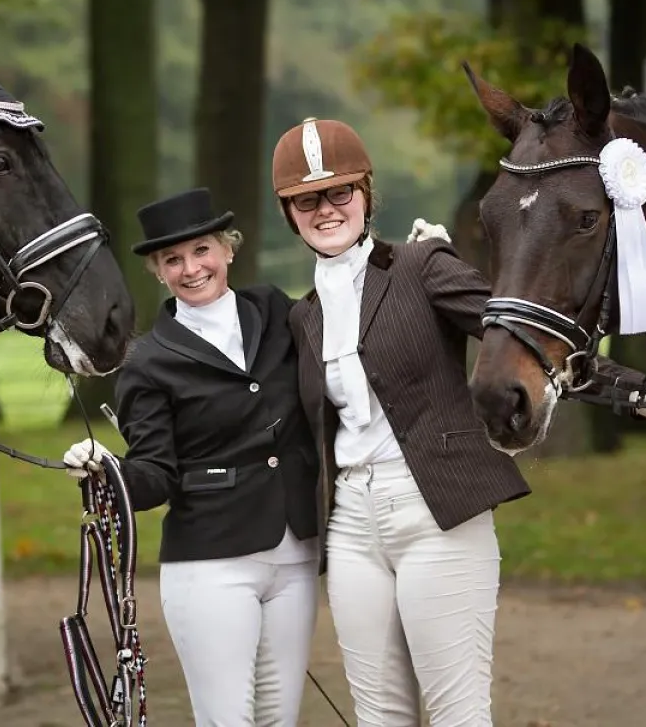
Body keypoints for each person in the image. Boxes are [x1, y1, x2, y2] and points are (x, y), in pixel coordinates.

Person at [270, 116, 646, 726]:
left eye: (340, 192)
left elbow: (524, 333)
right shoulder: (301, 317)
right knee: (377, 715)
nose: (326, 210)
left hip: (435, 514)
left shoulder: (421, 266)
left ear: (367, 193)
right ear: (289, 213)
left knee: (457, 712)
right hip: (351, 527)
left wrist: (635, 394)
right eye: (306, 200)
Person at [60, 186, 449, 726]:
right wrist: (110, 470)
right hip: (211, 562)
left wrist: (411, 268)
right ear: (157, 271)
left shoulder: (275, 310)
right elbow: (155, 476)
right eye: (173, 260)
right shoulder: (148, 363)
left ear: (228, 250)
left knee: (279, 719)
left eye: (202, 251)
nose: (191, 269)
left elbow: (354, 327)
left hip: (295, 554)